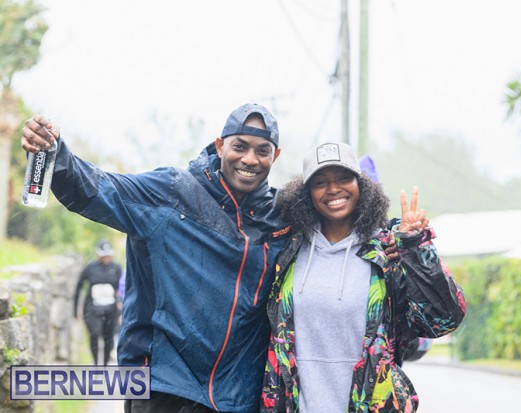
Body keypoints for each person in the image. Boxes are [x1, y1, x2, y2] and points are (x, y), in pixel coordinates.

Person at [21, 103, 292, 412]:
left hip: (238, 400)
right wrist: (51, 151)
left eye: (262, 150)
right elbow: (97, 188)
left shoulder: (281, 218)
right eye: (239, 146)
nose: (249, 159)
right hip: (160, 389)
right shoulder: (172, 192)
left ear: (275, 156)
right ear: (220, 146)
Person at [261, 142, 467, 412]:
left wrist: (416, 248)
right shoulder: (288, 250)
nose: (333, 189)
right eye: (320, 182)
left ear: (362, 185)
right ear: (305, 194)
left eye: (344, 178)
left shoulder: (387, 253)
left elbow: (444, 319)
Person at [74, 239, 123, 366]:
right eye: (103, 255)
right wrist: (75, 310)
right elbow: (79, 286)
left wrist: (122, 310)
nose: (106, 257)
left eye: (108, 255)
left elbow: (122, 289)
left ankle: (105, 365)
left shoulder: (116, 268)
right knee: (94, 334)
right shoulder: (90, 268)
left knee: (108, 337)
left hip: (111, 309)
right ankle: (96, 364)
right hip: (92, 309)